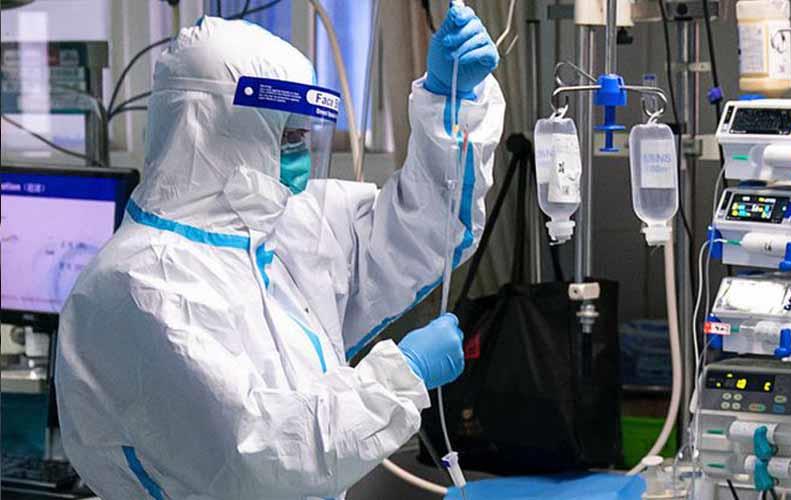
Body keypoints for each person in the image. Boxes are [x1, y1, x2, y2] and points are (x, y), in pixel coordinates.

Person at [53, 5, 503, 499]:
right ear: (215, 131)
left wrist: (448, 104)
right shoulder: (142, 285)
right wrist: (403, 375)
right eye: (285, 138)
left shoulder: (277, 229)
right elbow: (263, 457)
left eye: (304, 136)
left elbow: (422, 232)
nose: (301, 161)